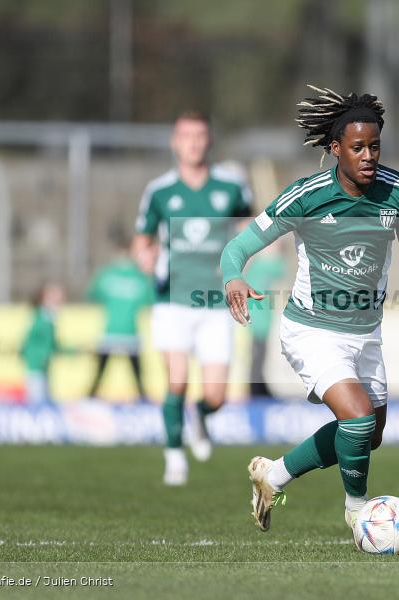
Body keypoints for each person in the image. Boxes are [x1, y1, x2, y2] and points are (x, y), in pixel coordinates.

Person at [220, 85, 399, 533]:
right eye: (357, 148)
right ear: (335, 149)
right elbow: (238, 246)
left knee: (370, 435)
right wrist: (233, 276)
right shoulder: (306, 196)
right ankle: (358, 512)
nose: (368, 156)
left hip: (366, 332)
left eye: (375, 146)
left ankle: (273, 475)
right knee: (357, 417)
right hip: (312, 330)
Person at [132, 111, 252, 485]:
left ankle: (200, 415)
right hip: (172, 300)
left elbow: (249, 227)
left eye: (200, 135)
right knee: (177, 382)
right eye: (186, 136)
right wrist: (144, 257)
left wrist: (242, 258)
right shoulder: (160, 191)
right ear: (175, 142)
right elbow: (142, 242)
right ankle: (173, 457)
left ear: (209, 140)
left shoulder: (231, 186)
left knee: (216, 396)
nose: (194, 143)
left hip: (216, 303)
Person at [85, 233, 155, 402]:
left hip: (112, 330)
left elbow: (92, 294)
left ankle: (90, 400)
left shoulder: (107, 273)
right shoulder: (139, 276)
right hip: (129, 330)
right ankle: (143, 401)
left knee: (101, 372)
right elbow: (151, 299)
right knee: (136, 374)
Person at [244, 241, 285, 398]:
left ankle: (258, 387)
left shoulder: (266, 265)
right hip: (254, 319)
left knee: (260, 355)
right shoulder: (261, 265)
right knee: (256, 356)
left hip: (262, 319)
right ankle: (255, 389)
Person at [19, 282, 69, 405]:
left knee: (44, 401)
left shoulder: (48, 318)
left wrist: (70, 351)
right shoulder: (42, 318)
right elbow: (30, 343)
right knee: (37, 402)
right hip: (36, 367)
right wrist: (40, 356)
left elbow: (52, 344)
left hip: (43, 368)